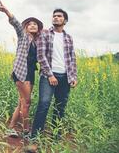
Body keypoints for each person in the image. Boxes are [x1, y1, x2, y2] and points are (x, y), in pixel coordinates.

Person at [27, 8, 77, 152]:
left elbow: (72, 59)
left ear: (65, 21)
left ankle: (56, 137)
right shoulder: (45, 34)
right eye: (54, 16)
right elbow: (41, 56)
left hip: (65, 77)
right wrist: (50, 75)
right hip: (48, 76)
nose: (55, 18)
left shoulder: (69, 38)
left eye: (59, 16)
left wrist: (73, 77)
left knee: (60, 107)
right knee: (44, 104)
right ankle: (34, 140)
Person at [0, 0, 43, 138]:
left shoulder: (37, 42)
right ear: (26, 28)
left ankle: (11, 128)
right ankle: (26, 131)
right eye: (29, 24)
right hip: (21, 72)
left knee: (22, 102)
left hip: (30, 73)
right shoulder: (23, 36)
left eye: (35, 24)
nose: (32, 25)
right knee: (27, 102)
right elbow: (16, 24)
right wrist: (6, 11)